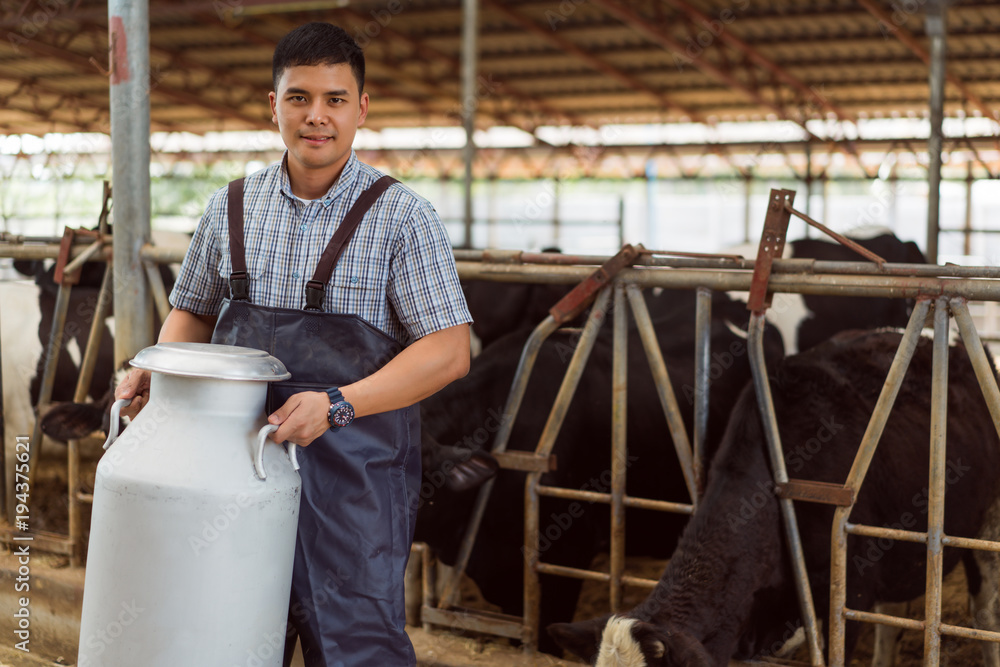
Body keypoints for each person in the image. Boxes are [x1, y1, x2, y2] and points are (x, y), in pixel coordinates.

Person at [115, 21, 472, 666]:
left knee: (353, 641)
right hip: (229, 467)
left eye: (336, 99)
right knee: (226, 629)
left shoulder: (403, 217)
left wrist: (334, 404)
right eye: (299, 97)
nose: (317, 117)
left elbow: (448, 350)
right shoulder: (230, 207)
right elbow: (190, 313)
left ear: (362, 108)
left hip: (352, 482)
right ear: (272, 104)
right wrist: (162, 376)